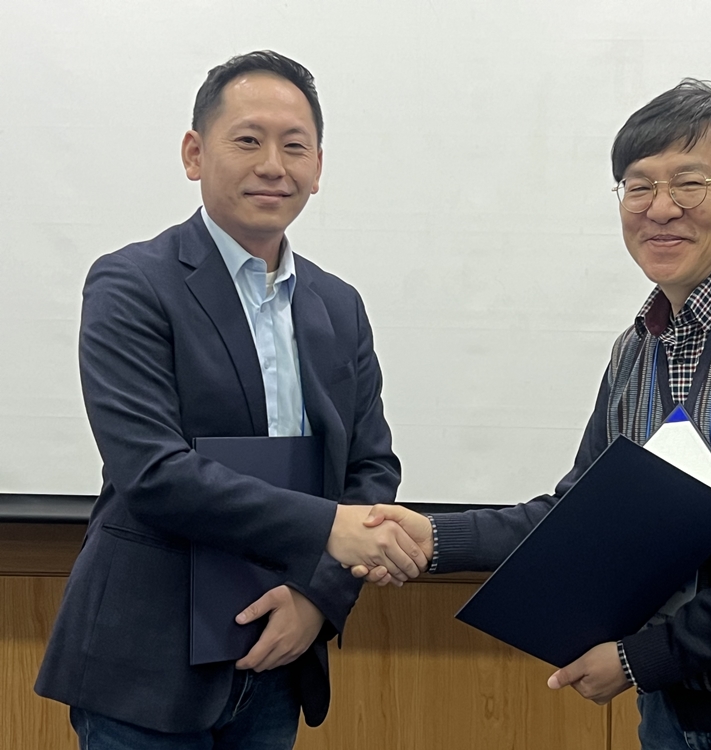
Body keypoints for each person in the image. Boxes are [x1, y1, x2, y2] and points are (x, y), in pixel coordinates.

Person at [355, 79, 711, 749]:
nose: (660, 209)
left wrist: (643, 658)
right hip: (672, 715)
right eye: (639, 187)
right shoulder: (638, 348)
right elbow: (577, 513)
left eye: (689, 184)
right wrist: (434, 539)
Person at [35, 50, 426, 748]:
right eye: (248, 140)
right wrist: (328, 530)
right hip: (147, 665)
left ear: (318, 167)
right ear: (194, 153)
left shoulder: (338, 305)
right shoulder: (131, 285)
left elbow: (370, 469)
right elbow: (153, 473)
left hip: (277, 655)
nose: (273, 165)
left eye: (295, 146)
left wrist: (317, 597)